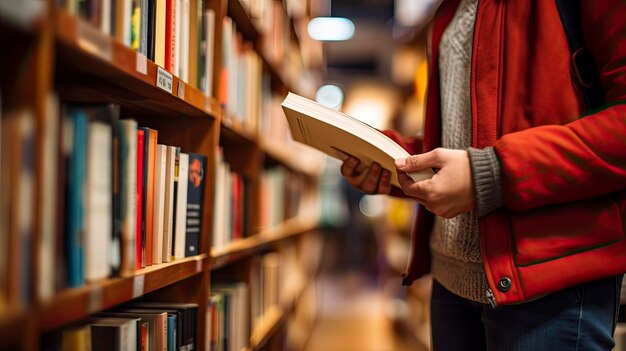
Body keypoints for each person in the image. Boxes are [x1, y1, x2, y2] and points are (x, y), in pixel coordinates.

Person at [340, 0, 626, 350]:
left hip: (548, 283)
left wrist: (490, 174)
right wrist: (391, 160)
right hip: (452, 283)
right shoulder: (449, 9)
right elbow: (467, 139)